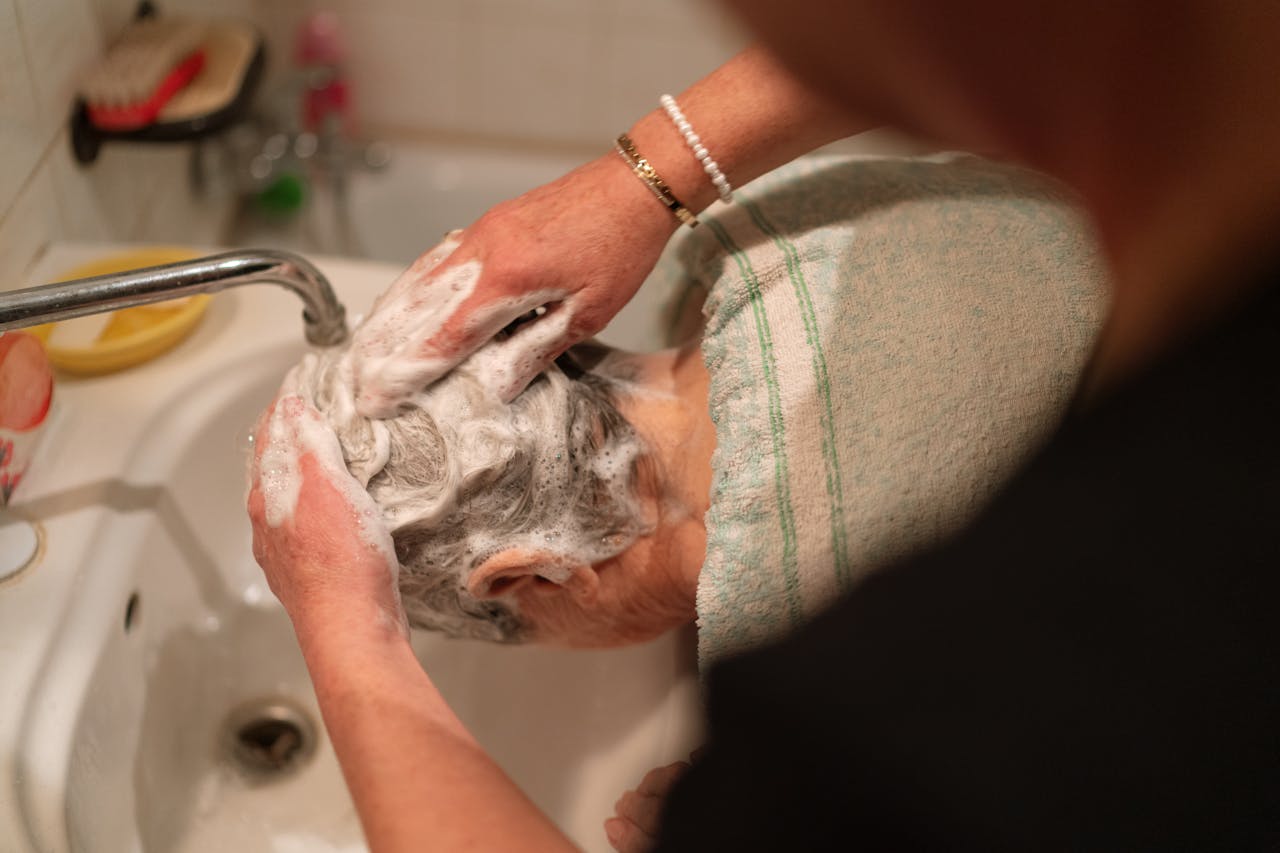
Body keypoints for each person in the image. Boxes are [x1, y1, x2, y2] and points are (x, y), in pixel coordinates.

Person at [248, 1, 1280, 851]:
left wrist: (348, 624)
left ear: (526, 573)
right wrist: (637, 181)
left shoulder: (844, 680)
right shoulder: (799, 223)